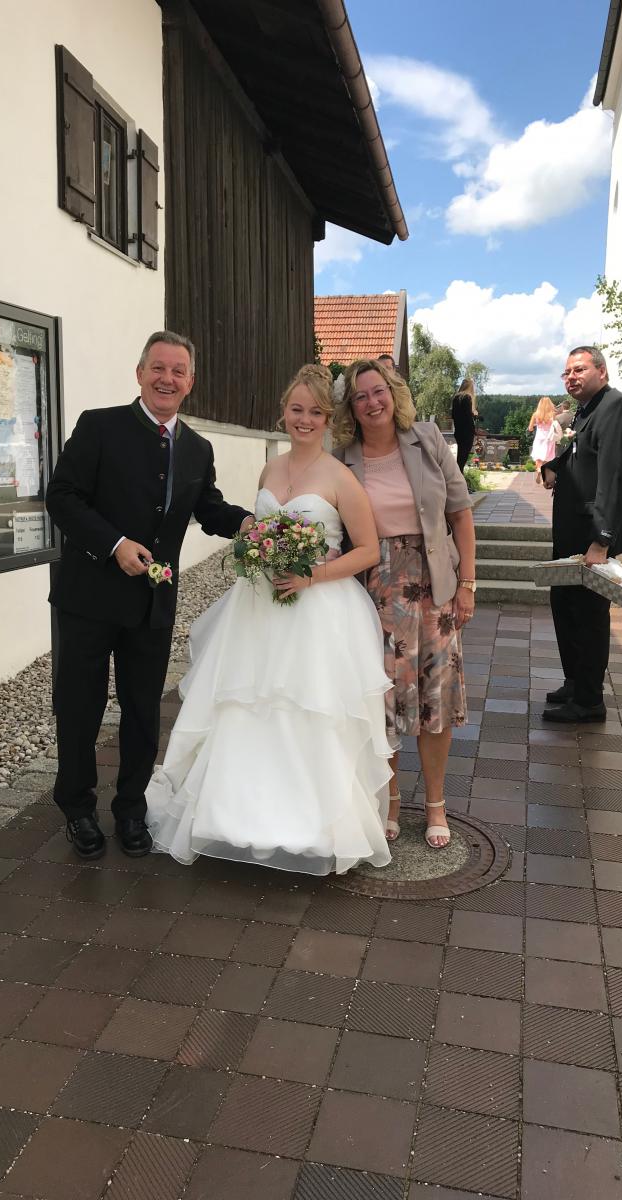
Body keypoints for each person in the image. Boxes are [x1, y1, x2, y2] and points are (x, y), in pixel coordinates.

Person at [145, 364, 392, 875]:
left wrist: (312, 575)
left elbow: (368, 550)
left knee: (305, 709)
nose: (304, 419)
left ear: (328, 418)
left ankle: (309, 831)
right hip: (257, 606)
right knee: (244, 703)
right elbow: (254, 530)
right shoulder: (269, 470)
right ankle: (234, 820)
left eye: (315, 412)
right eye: (297, 409)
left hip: (315, 610)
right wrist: (254, 554)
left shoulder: (340, 477)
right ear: (283, 411)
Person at [46, 331, 253, 860]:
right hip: (88, 598)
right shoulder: (99, 426)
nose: (167, 378)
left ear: (190, 382)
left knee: (142, 711)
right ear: (140, 374)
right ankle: (77, 808)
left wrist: (252, 524)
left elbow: (208, 508)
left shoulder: (198, 448)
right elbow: (62, 497)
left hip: (152, 603)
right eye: (158, 368)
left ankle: (131, 809)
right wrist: (113, 544)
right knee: (80, 707)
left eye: (178, 371)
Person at [334, 359, 475, 849]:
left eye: (378, 391)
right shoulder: (343, 457)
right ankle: (391, 798)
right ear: (351, 408)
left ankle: (435, 803)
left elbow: (460, 513)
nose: (372, 402)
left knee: (437, 696)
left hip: (433, 583)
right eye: (360, 396)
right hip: (373, 588)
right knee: (383, 699)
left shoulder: (428, 439)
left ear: (393, 393)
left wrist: (467, 583)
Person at [541, 346, 622, 723]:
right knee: (565, 606)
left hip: (590, 536)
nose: (571, 377)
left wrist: (602, 540)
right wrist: (554, 466)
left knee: (588, 616)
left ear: (602, 371)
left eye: (579, 369)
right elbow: (580, 454)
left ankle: (589, 700)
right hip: (572, 533)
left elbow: (615, 476)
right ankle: (575, 682)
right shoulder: (587, 410)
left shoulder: (616, 407)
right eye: (567, 372)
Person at [528, 396, 563, 484]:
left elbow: (530, 428)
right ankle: (545, 476)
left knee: (538, 457)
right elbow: (555, 425)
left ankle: (539, 469)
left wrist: (537, 425)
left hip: (539, 438)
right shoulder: (553, 414)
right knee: (548, 458)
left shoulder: (535, 414)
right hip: (549, 438)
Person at [451, 377, 478, 471]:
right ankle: (458, 477)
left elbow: (453, 415)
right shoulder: (467, 397)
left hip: (458, 431)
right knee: (463, 459)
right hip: (467, 432)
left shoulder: (456, 398)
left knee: (460, 457)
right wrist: (474, 415)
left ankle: (458, 476)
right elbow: (468, 416)